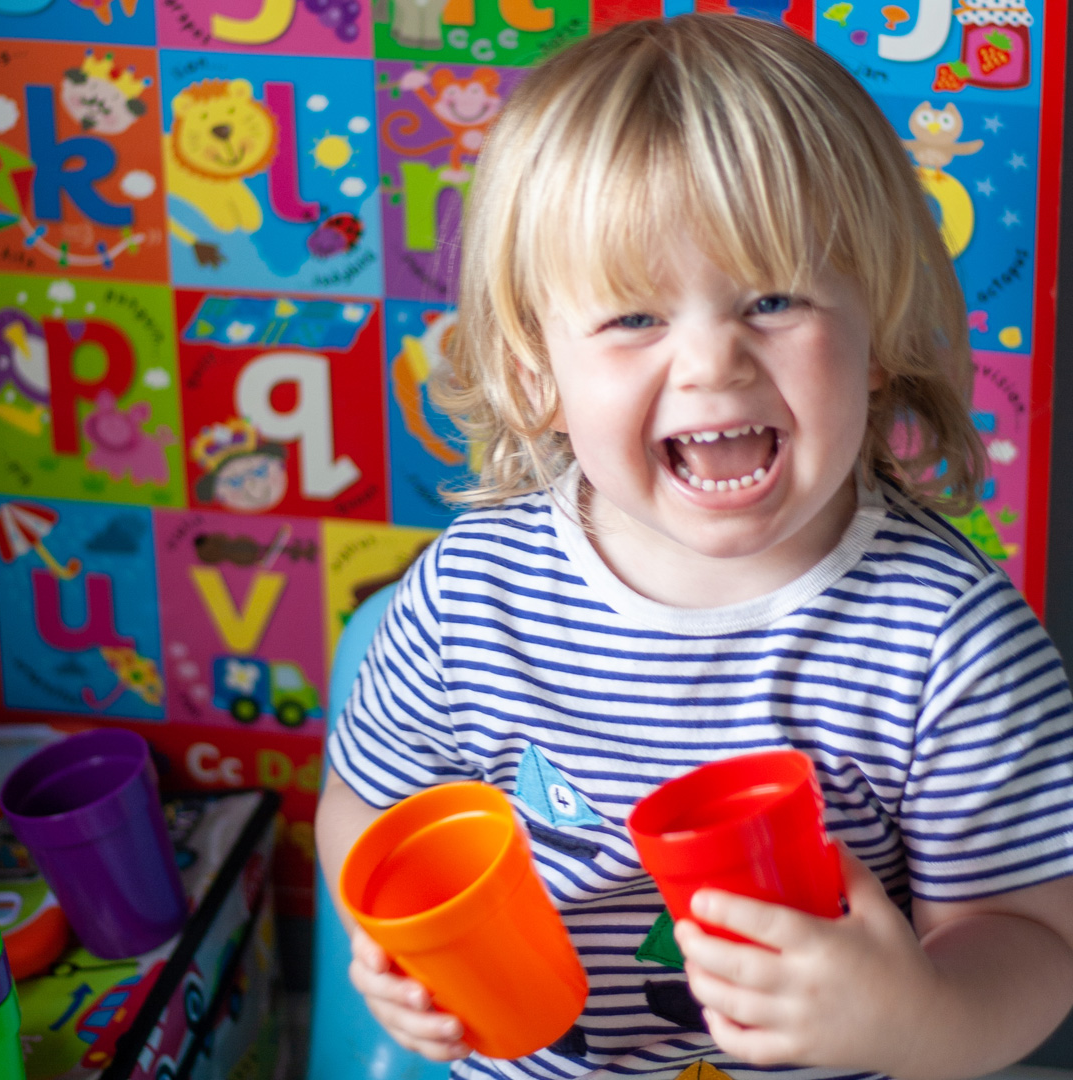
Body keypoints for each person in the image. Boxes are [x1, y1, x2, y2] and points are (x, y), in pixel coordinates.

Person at [316, 14, 1073, 1080]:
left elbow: (1034, 934)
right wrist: (393, 949)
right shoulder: (467, 597)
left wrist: (919, 1016)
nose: (714, 362)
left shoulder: (951, 642)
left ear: (877, 332)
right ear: (537, 371)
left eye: (773, 299)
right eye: (634, 318)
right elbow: (369, 811)